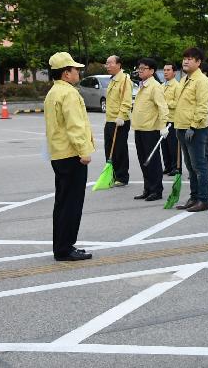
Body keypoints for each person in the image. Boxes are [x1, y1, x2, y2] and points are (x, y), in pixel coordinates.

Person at [44, 52, 94, 262]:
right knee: (71, 203)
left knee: (63, 202)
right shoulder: (69, 94)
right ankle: (65, 248)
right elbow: (75, 126)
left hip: (59, 153)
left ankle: (62, 245)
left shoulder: (53, 92)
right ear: (66, 73)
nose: (78, 72)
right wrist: (84, 151)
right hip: (71, 154)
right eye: (75, 69)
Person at [173, 47, 208, 213]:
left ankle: (203, 200)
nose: (185, 61)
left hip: (194, 130)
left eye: (190, 59)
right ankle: (194, 197)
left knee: (199, 166)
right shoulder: (184, 80)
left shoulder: (201, 81)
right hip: (181, 127)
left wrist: (193, 126)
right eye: (184, 58)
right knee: (190, 166)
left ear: (198, 62)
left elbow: (202, 107)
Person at [131, 58, 170, 202]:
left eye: (143, 68)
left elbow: (162, 107)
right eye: (139, 68)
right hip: (140, 129)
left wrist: (163, 127)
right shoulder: (142, 85)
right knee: (143, 161)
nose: (140, 71)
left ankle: (156, 190)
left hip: (151, 130)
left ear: (152, 71)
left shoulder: (155, 86)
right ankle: (147, 188)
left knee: (152, 161)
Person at [103, 55, 133, 187]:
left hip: (120, 120)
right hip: (110, 120)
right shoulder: (112, 80)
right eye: (106, 63)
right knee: (109, 148)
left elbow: (126, 101)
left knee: (119, 149)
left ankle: (122, 176)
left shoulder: (125, 80)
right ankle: (112, 174)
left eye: (110, 63)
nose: (107, 66)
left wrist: (121, 116)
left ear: (119, 64)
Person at [160, 63, 180, 175]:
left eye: (168, 70)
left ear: (174, 72)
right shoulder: (162, 86)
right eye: (164, 70)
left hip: (172, 120)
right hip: (163, 120)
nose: (166, 72)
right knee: (164, 145)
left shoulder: (177, 86)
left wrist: (164, 104)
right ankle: (167, 166)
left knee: (173, 145)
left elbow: (178, 103)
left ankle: (175, 167)